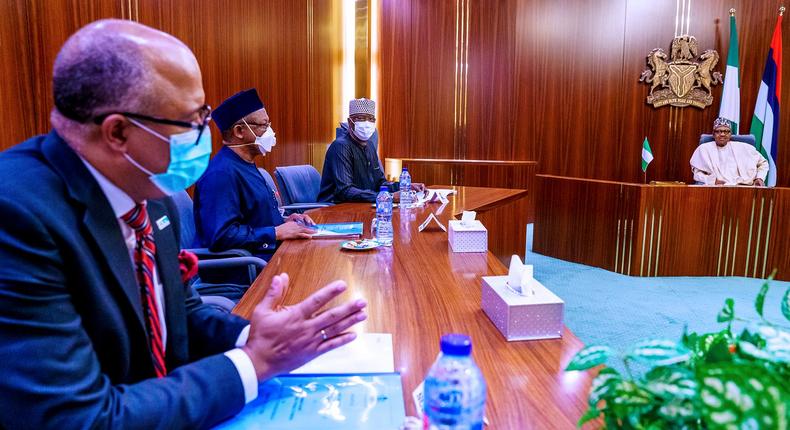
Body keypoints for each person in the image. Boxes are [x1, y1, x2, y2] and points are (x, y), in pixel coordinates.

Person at [0, 19, 366, 429]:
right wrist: (252, 364)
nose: (203, 135)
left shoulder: (149, 196)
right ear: (118, 131)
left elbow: (182, 312)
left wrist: (251, 337)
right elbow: (78, 418)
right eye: (191, 121)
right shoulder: (16, 216)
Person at [193, 89, 315, 260]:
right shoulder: (220, 174)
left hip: (265, 258)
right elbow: (221, 236)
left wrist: (284, 221)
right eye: (263, 125)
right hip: (241, 272)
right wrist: (275, 232)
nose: (269, 131)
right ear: (239, 131)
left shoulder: (246, 164)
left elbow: (252, 217)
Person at [318, 98, 424, 202]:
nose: (367, 123)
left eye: (371, 119)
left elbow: (380, 184)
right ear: (350, 122)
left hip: (360, 207)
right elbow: (346, 191)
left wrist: (405, 187)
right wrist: (388, 197)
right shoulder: (341, 146)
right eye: (361, 118)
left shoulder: (369, 146)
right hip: (334, 209)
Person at [690, 117, 769, 186]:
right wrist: (712, 181)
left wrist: (760, 178)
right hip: (717, 188)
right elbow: (697, 173)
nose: (722, 134)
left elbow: (763, 163)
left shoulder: (745, 148)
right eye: (719, 131)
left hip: (745, 187)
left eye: (726, 131)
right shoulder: (704, 149)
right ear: (713, 134)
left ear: (730, 134)